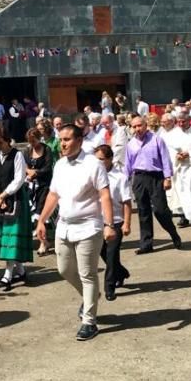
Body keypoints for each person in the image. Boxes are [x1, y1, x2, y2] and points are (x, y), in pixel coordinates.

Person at [35, 124, 115, 341]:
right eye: (61, 139)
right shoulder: (60, 165)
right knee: (64, 269)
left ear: (79, 140)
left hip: (89, 226)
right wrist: (41, 220)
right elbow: (53, 195)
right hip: (64, 226)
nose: (63, 144)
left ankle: (89, 321)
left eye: (68, 139)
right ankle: (91, 297)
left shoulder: (93, 165)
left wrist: (109, 224)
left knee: (87, 273)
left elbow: (105, 196)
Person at [0, 129, 33, 290]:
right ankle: (21, 270)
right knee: (6, 238)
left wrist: (4, 195)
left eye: (0, 143)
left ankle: (7, 275)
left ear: (7, 140)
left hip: (16, 199)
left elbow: (19, 178)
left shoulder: (17, 155)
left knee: (11, 238)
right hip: (0, 199)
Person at [125, 116, 182, 253]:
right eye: (134, 126)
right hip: (138, 177)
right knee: (143, 211)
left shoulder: (156, 139)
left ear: (146, 125)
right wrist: (124, 181)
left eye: (140, 125)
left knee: (160, 210)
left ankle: (173, 233)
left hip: (155, 177)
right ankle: (146, 244)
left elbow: (165, 158)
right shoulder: (131, 144)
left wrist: (167, 177)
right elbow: (128, 164)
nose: (137, 129)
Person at [94, 145, 131, 301]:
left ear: (109, 159)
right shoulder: (92, 176)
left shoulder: (120, 177)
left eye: (101, 159)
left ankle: (109, 287)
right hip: (97, 221)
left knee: (111, 255)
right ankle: (121, 272)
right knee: (103, 253)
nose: (98, 163)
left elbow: (127, 202)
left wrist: (127, 223)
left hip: (115, 222)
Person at [25, 128, 54, 256]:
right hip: (31, 187)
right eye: (30, 141)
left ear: (39, 138)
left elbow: (48, 167)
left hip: (44, 186)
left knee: (42, 214)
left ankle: (43, 242)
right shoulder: (27, 150)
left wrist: (35, 172)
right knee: (33, 214)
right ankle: (45, 241)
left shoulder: (47, 149)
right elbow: (24, 165)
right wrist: (28, 172)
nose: (32, 144)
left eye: (34, 141)